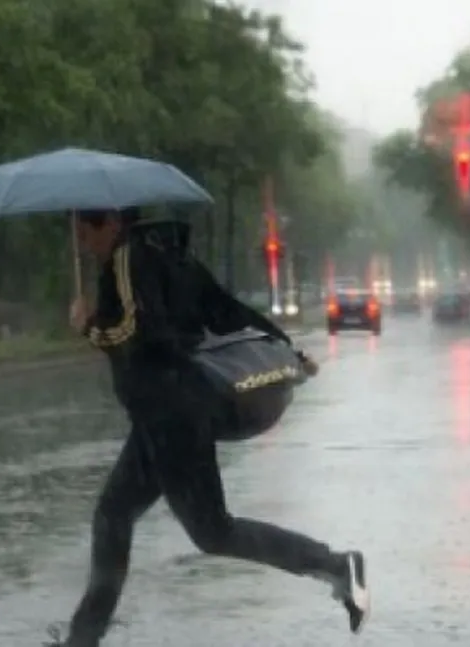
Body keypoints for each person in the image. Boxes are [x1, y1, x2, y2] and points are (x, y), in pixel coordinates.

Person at [49, 208, 369, 647]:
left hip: (171, 412)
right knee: (113, 515)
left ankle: (335, 565)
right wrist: (285, 347)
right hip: (164, 413)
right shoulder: (169, 255)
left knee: (212, 531)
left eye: (86, 229)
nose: (83, 240)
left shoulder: (127, 260)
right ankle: (83, 639)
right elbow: (224, 309)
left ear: (111, 224)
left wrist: (89, 326)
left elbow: (138, 331)